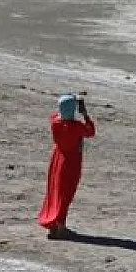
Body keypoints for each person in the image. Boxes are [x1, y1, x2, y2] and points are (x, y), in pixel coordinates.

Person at [37, 92, 95, 238]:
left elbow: (57, 114)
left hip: (57, 159)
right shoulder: (76, 127)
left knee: (55, 192)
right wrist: (85, 113)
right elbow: (90, 131)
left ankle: (54, 224)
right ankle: (60, 226)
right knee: (66, 194)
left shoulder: (55, 123)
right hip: (71, 162)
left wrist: (71, 102)